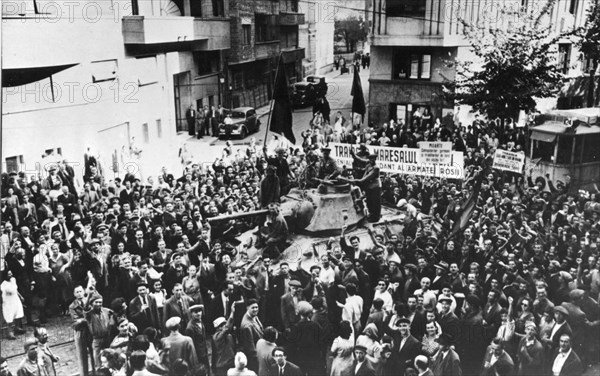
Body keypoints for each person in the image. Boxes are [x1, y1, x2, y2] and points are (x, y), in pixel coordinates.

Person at [340, 152, 381, 222]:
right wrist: (353, 154)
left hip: (375, 187)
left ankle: (376, 217)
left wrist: (349, 180)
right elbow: (359, 159)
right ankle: (371, 214)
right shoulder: (368, 163)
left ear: (375, 160)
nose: (371, 161)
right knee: (369, 201)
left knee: (375, 202)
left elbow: (363, 179)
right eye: (370, 159)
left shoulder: (376, 168)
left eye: (373, 159)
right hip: (369, 186)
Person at [239, 299, 264, 373]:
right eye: (253, 307)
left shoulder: (254, 316)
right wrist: (259, 360)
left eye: (257, 307)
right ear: (247, 308)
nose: (255, 309)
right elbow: (251, 348)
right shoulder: (247, 326)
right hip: (255, 358)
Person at [185, 304, 210, 374]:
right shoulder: (190, 328)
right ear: (191, 314)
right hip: (198, 355)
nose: (198, 313)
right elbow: (191, 345)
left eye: (199, 311)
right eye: (195, 312)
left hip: (204, 352)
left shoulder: (200, 321)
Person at [1, 269, 25, 339]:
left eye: (11, 273)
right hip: (8, 301)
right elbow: (3, 295)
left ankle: (17, 328)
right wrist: (5, 303)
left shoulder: (13, 279)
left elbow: (15, 289)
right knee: (10, 316)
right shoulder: (3, 284)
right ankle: (10, 332)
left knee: (18, 313)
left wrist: (20, 296)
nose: (11, 275)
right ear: (5, 275)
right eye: (9, 274)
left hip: (15, 298)